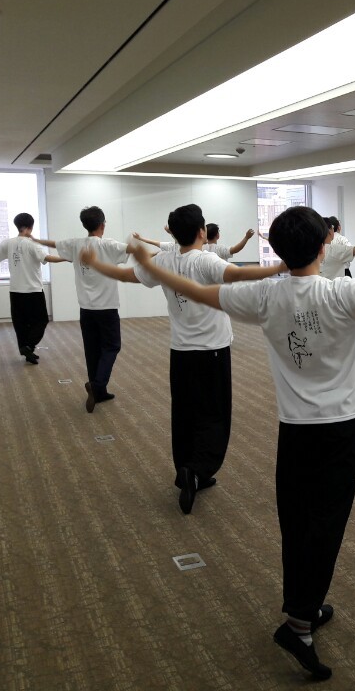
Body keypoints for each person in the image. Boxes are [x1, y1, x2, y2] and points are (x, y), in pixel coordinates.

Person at [124, 205, 355, 680]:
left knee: (297, 522)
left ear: (277, 250)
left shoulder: (264, 297)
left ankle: (304, 607)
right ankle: (299, 623)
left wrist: (152, 265)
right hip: (341, 429)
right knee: (326, 524)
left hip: (293, 431)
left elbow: (199, 292)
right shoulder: (344, 295)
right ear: (323, 247)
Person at [81, 203, 286, 515]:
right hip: (212, 352)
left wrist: (95, 263)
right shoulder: (206, 260)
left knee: (185, 414)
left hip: (180, 353)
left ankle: (185, 469)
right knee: (214, 415)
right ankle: (198, 470)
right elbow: (240, 273)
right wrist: (280, 268)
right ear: (202, 232)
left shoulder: (164, 258)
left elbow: (125, 275)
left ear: (173, 234)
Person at [32, 206, 129, 412]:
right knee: (112, 346)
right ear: (103, 225)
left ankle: (99, 392)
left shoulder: (75, 244)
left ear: (85, 225)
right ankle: (97, 385)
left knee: (92, 349)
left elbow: (55, 244)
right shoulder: (109, 245)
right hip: (107, 307)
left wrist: (36, 240)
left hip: (86, 308)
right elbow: (131, 250)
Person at [0, 212, 65, 364]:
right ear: (30, 227)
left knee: (20, 323)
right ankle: (28, 346)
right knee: (41, 321)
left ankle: (26, 349)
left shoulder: (8, 243)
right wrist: (67, 258)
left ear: (18, 226)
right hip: (33, 291)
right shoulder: (32, 244)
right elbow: (48, 258)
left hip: (15, 291)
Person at [133, 224, 254, 260]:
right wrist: (246, 238)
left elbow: (158, 243)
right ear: (218, 235)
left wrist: (141, 239)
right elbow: (235, 249)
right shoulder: (219, 250)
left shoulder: (196, 248)